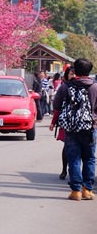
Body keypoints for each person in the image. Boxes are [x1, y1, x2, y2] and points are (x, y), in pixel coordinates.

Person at [50, 58, 97, 201]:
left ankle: (75, 191)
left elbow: (56, 105)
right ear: (90, 71)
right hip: (90, 127)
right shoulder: (95, 87)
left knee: (74, 158)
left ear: (75, 70)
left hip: (71, 127)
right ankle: (87, 189)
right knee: (89, 158)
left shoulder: (65, 86)